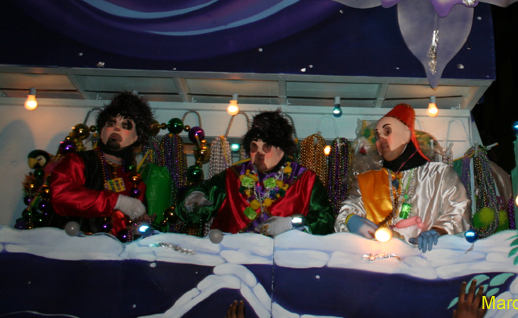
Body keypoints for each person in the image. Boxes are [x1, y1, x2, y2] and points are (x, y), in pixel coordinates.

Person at [335, 103, 470, 252]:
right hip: (376, 260)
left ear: (406, 135)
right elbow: (346, 213)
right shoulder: (366, 181)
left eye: (387, 131)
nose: (381, 140)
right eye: (378, 136)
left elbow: (459, 212)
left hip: (425, 259)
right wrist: (350, 219)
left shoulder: (440, 175)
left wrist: (439, 231)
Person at [178, 110, 333, 236]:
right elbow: (201, 200)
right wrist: (195, 197)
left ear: (282, 148)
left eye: (267, 146)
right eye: (254, 146)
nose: (260, 153)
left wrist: (292, 223)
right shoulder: (232, 177)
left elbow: (325, 221)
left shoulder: (305, 180)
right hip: (232, 259)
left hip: (284, 260)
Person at [48, 92, 154, 236]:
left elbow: (134, 227)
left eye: (125, 125)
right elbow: (61, 195)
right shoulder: (78, 162)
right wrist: (116, 201)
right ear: (102, 129)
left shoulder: (135, 182)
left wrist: (137, 227)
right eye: (111, 123)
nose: (116, 128)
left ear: (136, 137)